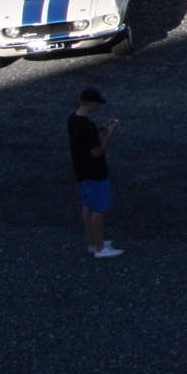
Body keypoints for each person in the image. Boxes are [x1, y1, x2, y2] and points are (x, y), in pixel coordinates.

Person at [69, 88, 120, 259]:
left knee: (88, 206)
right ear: (90, 103)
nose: (97, 106)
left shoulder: (72, 119)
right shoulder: (87, 125)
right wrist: (109, 133)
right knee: (99, 209)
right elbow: (96, 152)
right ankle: (100, 248)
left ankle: (92, 243)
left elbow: (83, 137)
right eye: (96, 103)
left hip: (81, 170)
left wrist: (101, 128)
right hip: (95, 172)